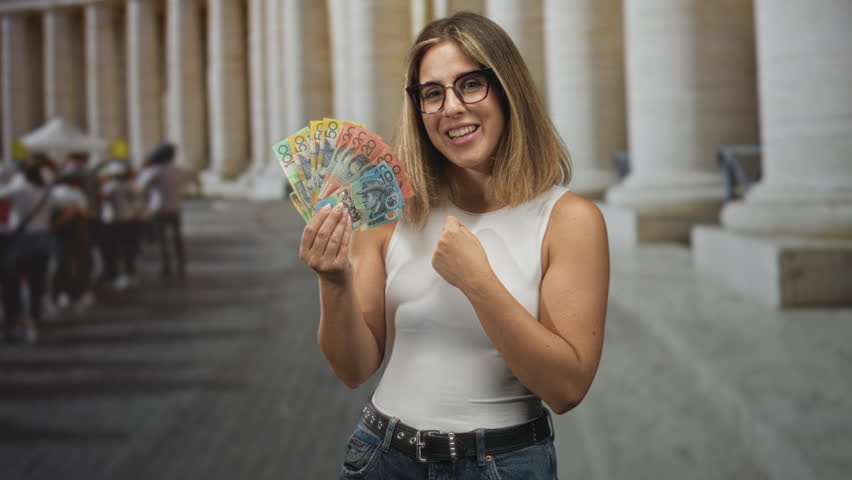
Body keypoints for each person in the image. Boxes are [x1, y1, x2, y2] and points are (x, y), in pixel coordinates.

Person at [298, 12, 610, 479]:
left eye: (470, 85)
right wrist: (335, 282)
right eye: (432, 93)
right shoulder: (389, 213)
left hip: (504, 464)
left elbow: (566, 390)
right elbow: (353, 369)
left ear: (507, 90)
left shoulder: (570, 221)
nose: (452, 107)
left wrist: (478, 283)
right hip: (382, 455)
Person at [138, 142, 186, 278]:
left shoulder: (155, 170)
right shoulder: (177, 170)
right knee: (177, 238)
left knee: (163, 239)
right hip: (175, 207)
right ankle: (181, 264)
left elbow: (140, 186)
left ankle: (167, 265)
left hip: (159, 208)